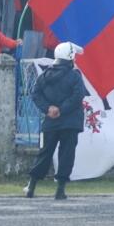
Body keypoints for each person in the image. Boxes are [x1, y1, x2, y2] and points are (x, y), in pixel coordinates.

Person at [25, 42, 85, 200]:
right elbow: (78, 96)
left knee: (44, 153)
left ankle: (32, 185)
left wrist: (48, 108)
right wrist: (62, 109)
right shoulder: (74, 75)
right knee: (66, 154)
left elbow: (35, 94)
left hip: (51, 121)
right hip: (70, 121)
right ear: (71, 57)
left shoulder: (45, 75)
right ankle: (60, 189)